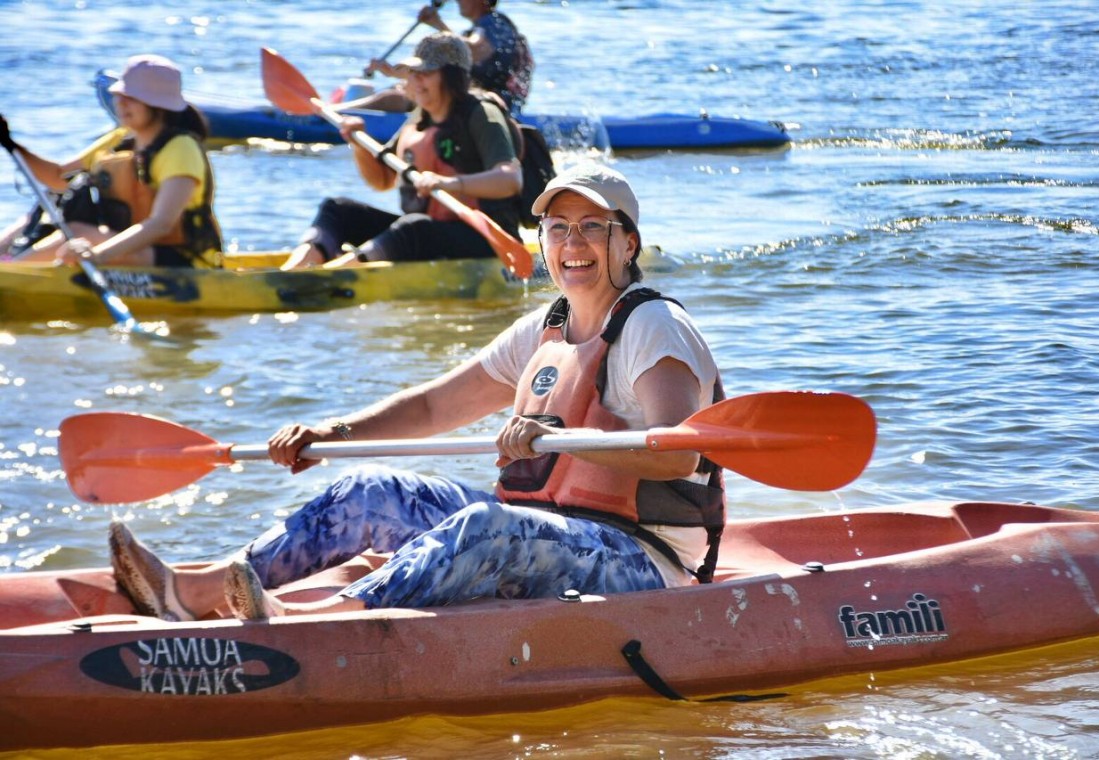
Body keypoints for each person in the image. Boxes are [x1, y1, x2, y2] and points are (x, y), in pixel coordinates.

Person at [108, 164, 727, 622]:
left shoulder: (652, 326)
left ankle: (309, 621)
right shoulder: (545, 329)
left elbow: (678, 453)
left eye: (593, 227)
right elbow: (434, 406)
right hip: (551, 527)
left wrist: (563, 440)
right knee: (370, 491)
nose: (573, 243)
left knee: (487, 525)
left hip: (643, 560)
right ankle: (191, 593)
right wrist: (335, 432)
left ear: (628, 243)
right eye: (558, 228)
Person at [282, 32, 522, 270]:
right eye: (413, 73)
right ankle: (296, 269)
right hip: (428, 233)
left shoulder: (482, 114)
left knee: (414, 228)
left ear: (452, 76)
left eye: (426, 73)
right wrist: (358, 143)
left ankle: (334, 276)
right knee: (337, 209)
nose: (416, 81)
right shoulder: (419, 118)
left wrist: (449, 183)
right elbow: (382, 180)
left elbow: (511, 180)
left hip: (485, 239)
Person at [0, 55, 223, 268]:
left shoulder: (181, 148)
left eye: (132, 98)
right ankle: (9, 267)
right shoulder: (121, 140)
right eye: (120, 95)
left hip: (183, 259)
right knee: (28, 222)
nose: (121, 103)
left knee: (79, 233)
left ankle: (12, 274)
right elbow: (58, 179)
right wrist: (10, 144)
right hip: (132, 248)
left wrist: (97, 255)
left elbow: (162, 224)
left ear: (159, 106)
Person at [358, 0, 533, 115]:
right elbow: (446, 66)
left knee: (393, 97)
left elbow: (474, 50)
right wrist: (392, 72)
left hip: (490, 106)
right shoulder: (481, 28)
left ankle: (343, 116)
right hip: (473, 99)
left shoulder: (494, 22)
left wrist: (437, 23)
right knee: (400, 88)